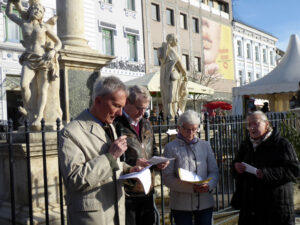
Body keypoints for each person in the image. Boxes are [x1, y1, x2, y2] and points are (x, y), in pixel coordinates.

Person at [59, 76, 142, 225]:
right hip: (93, 217)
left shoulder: (108, 126)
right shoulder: (71, 132)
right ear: (98, 101)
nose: (120, 113)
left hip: (116, 212)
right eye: (117, 106)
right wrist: (111, 156)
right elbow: (74, 180)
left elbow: (112, 166)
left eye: (123, 107)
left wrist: (129, 170)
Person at [232, 111, 300, 225]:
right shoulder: (246, 145)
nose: (252, 127)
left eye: (256, 124)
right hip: (250, 209)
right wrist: (236, 167)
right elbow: (235, 166)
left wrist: (266, 173)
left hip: (275, 209)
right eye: (249, 125)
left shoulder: (281, 144)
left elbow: (294, 170)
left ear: (267, 124)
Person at [114, 85, 169, 225]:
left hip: (147, 190)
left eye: (145, 108)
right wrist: (133, 165)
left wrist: (159, 162)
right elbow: (114, 158)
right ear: (127, 103)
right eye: (139, 107)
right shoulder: (116, 125)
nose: (143, 112)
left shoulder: (146, 123)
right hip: (127, 192)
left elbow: (153, 149)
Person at [6, 0, 62, 126]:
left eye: (40, 11)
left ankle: (39, 116)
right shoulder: (24, 23)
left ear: (42, 16)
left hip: (43, 59)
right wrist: (10, 2)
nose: (37, 11)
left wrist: (53, 51)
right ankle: (30, 110)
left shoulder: (45, 27)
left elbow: (59, 43)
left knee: (43, 90)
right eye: (35, 9)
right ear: (30, 10)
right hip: (29, 59)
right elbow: (9, 14)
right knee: (24, 85)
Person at [163, 110, 219, 225]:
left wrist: (208, 185)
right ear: (179, 127)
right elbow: (167, 178)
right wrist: (191, 188)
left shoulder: (205, 145)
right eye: (187, 129)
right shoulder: (170, 148)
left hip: (204, 202)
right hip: (181, 204)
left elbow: (214, 171)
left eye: (194, 129)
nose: (191, 133)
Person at [159, 33, 188, 120]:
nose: (177, 41)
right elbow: (180, 64)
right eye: (176, 39)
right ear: (172, 40)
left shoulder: (162, 50)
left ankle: (168, 116)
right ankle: (172, 117)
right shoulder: (171, 51)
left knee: (167, 97)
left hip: (164, 77)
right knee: (173, 97)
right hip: (172, 77)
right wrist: (185, 74)